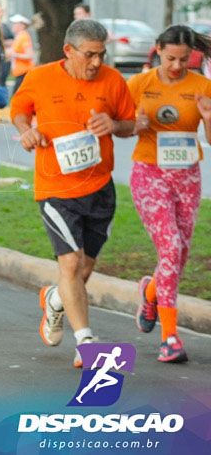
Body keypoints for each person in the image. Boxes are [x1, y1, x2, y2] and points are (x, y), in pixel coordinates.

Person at [11, 19, 135, 367]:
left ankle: (54, 299)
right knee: (70, 261)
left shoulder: (113, 81)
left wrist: (114, 125)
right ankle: (86, 342)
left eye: (101, 54)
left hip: (99, 187)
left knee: (84, 268)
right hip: (56, 186)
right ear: (69, 50)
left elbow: (129, 122)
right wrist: (27, 131)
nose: (97, 62)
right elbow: (19, 109)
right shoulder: (40, 77)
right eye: (90, 55)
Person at [126, 26, 211, 363]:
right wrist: (136, 124)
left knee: (180, 254)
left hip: (187, 175)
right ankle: (170, 338)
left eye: (183, 59)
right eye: (170, 57)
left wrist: (207, 116)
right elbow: (120, 127)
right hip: (149, 172)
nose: (176, 65)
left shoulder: (202, 86)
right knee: (171, 247)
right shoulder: (139, 84)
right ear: (158, 50)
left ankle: (150, 291)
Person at [8, 14, 34, 94]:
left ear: (22, 25)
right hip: (19, 72)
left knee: (17, 96)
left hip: (24, 72)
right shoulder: (19, 37)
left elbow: (29, 55)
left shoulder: (24, 37)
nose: (13, 25)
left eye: (15, 23)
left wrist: (14, 55)